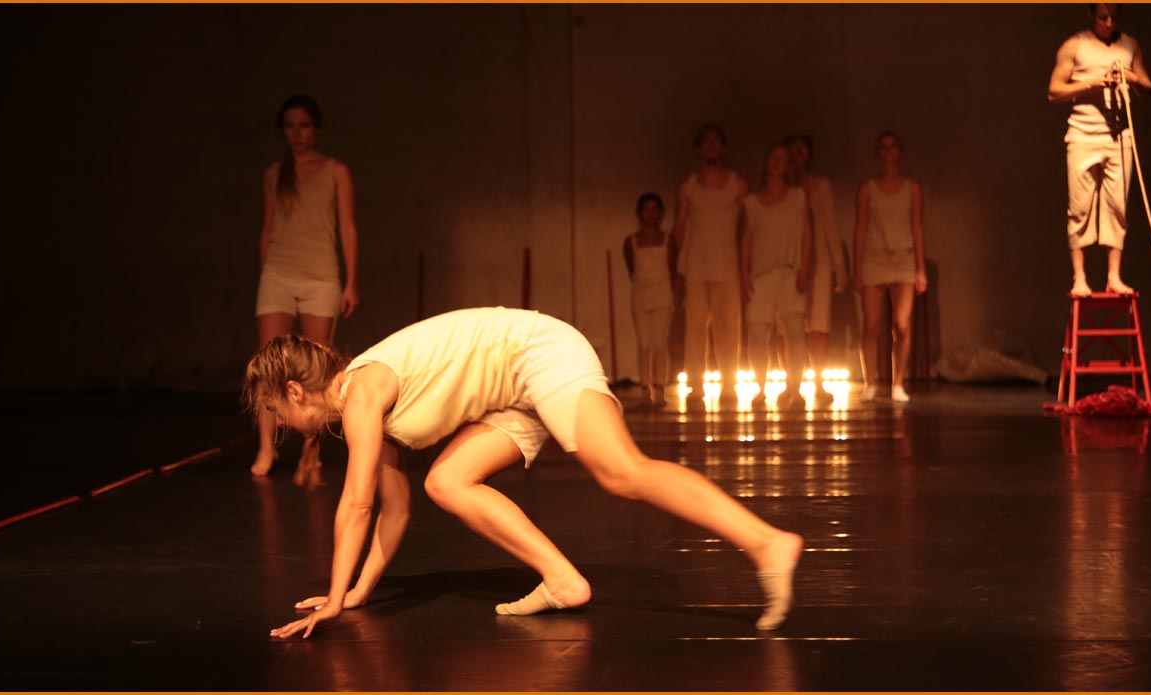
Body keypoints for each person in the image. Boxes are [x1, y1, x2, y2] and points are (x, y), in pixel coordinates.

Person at [248, 307, 803, 639]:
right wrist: (357, 590)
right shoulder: (366, 412)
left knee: (621, 471)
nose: (280, 423)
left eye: (275, 410)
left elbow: (357, 505)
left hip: (538, 354)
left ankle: (766, 542)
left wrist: (334, 600)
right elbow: (394, 512)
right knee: (446, 482)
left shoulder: (363, 391)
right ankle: (562, 580)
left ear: (294, 390)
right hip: (510, 397)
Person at [252, 95, 361, 483]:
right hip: (279, 274)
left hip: (320, 276)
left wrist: (350, 282)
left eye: (304, 126)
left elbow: (347, 227)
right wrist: (266, 274)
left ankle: (310, 450)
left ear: (316, 130)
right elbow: (268, 228)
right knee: (269, 365)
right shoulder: (273, 174)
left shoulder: (335, 171)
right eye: (290, 126)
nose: (297, 134)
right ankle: (266, 446)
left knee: (317, 368)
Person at [1047, 3, 1151, 297]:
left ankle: (1113, 276)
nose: (1108, 23)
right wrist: (1092, 82)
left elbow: (1147, 89)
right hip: (1083, 136)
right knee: (1080, 207)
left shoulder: (1129, 45)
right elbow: (1054, 91)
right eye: (1103, 17)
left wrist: (1132, 78)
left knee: (1117, 206)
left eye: (1113, 18)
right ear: (1091, 15)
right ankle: (1079, 277)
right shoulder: (1075, 45)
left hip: (1119, 138)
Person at [673, 124, 748, 408]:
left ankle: (729, 384)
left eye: (716, 140)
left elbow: (747, 227)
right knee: (695, 328)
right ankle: (695, 385)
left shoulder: (737, 185)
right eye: (706, 141)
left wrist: (746, 266)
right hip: (696, 265)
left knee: (728, 328)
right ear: (698, 149)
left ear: (724, 148)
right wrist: (676, 267)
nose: (711, 145)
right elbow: (680, 227)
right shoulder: (689, 186)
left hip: (727, 264)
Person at [852, 132, 926, 403]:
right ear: (877, 153)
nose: (888, 151)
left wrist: (920, 269)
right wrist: (857, 268)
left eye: (893, 146)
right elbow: (860, 227)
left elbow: (917, 227)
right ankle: (869, 383)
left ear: (900, 152)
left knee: (902, 325)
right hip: (874, 259)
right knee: (871, 325)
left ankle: (897, 383)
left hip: (903, 259)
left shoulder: (912, 188)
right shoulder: (867, 188)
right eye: (883, 147)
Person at [740, 143, 812, 409]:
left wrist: (804, 268)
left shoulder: (797, 197)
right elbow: (746, 239)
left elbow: (806, 235)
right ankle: (760, 389)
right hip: (761, 275)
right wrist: (744, 275)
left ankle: (795, 389)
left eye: (782, 159)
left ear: (788, 166)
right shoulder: (751, 203)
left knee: (795, 332)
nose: (776, 163)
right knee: (757, 333)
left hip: (789, 271)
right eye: (772, 158)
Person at [785, 134, 847, 404]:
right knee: (786, 326)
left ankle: (819, 383)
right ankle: (791, 385)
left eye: (803, 147)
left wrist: (839, 266)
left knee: (819, 325)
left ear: (809, 154)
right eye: (793, 147)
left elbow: (830, 225)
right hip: (787, 262)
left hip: (819, 261)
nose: (798, 151)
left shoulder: (821, 186)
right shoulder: (780, 188)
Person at [622, 193, 680, 406]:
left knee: (659, 343)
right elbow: (632, 269)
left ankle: (660, 387)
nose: (651, 214)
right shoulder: (631, 241)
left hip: (662, 293)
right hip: (640, 294)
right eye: (646, 209)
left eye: (655, 209)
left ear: (661, 213)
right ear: (639, 213)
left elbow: (672, 269)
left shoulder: (668, 240)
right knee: (644, 344)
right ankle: (645, 387)